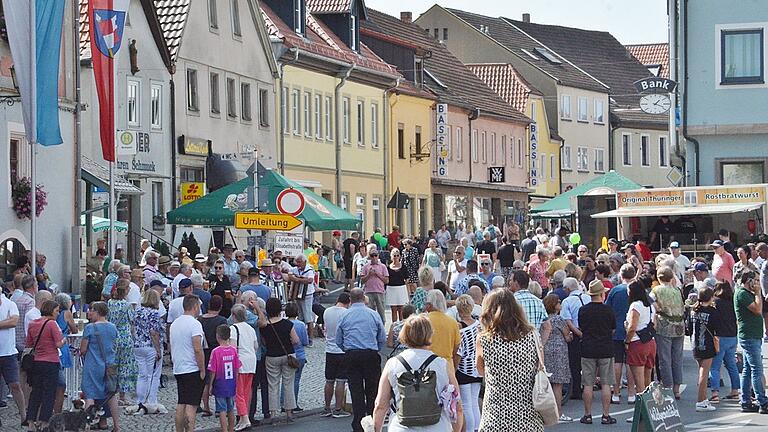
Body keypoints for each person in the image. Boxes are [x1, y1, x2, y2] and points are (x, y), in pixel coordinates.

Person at [372, 314, 463, 432]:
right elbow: (457, 405)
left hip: (401, 427)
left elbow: (380, 405)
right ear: (430, 334)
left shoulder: (393, 363)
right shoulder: (442, 364)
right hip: (437, 427)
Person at [476, 289, 542, 431]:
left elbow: (480, 370)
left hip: (495, 414)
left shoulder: (484, 339)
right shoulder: (532, 335)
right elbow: (540, 366)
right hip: (527, 413)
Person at [335, 288, 386, 432]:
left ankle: (358, 423)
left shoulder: (345, 316)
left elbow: (338, 339)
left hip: (352, 354)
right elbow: (381, 336)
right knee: (372, 389)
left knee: (356, 390)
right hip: (370, 354)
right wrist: (375, 348)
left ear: (350, 300)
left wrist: (347, 349)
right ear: (363, 298)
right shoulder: (373, 314)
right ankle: (372, 419)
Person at [578, 279, 617, 425]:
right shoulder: (608, 310)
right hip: (605, 348)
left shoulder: (584, 310)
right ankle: (606, 415)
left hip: (588, 348)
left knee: (588, 383)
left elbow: (582, 328)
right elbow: (613, 329)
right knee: (606, 383)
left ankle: (587, 415)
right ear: (602, 294)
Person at [23, 300, 64, 431]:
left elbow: (29, 343)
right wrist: (64, 340)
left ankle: (30, 421)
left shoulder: (33, 323)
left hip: (37, 362)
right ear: (51, 310)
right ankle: (44, 421)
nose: (58, 314)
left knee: (36, 392)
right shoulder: (52, 324)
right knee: (49, 393)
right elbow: (58, 344)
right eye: (57, 311)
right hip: (51, 362)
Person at [80, 302, 120, 431]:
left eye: (91, 310)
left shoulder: (90, 328)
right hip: (109, 365)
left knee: (90, 395)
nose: (89, 312)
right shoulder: (113, 327)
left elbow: (83, 349)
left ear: (97, 312)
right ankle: (116, 426)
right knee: (111, 394)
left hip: (93, 365)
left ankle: (87, 425)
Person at [170, 294, 206, 432]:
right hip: (192, 368)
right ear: (195, 306)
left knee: (181, 403)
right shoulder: (195, 324)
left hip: (179, 367)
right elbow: (197, 348)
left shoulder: (175, 323)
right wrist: (202, 369)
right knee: (191, 405)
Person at [260, 298, 299, 424]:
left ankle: (273, 413)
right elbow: (296, 340)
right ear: (280, 310)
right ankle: (289, 412)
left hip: (272, 356)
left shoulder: (265, 326)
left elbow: (263, 342)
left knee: (273, 385)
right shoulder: (288, 324)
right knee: (288, 384)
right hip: (288, 355)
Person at [734, 271, 768, 413]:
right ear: (748, 281)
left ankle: (746, 401)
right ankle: (762, 401)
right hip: (749, 336)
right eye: (754, 280)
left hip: (753, 335)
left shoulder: (746, 293)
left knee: (748, 370)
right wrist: (758, 293)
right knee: (757, 369)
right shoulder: (742, 293)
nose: (757, 282)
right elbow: (758, 309)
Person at [624, 281, 657, 422]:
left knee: (639, 383)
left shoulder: (635, 305)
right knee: (648, 378)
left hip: (637, 343)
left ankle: (640, 413)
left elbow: (632, 326)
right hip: (650, 342)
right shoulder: (649, 305)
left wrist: (626, 341)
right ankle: (650, 410)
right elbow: (654, 323)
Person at [605, 264, 637, 404]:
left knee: (617, 362)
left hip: (616, 329)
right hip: (633, 330)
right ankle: (631, 393)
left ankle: (616, 392)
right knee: (630, 363)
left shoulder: (615, 290)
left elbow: (607, 309)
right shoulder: (637, 290)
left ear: (621, 276)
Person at [653, 267, 685, 398]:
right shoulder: (677, 290)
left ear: (659, 278)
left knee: (665, 358)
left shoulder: (656, 291)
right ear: (672, 277)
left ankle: (667, 386)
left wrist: (659, 309)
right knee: (677, 358)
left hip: (664, 325)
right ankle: (677, 389)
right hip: (679, 325)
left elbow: (650, 303)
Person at [133, 289, 165, 413]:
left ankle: (140, 401)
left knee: (141, 375)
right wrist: (158, 350)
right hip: (151, 346)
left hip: (138, 345)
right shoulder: (155, 314)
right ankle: (151, 400)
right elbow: (154, 333)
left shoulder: (138, 312)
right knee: (153, 375)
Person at [540, 295, 572, 423]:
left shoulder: (544, 319)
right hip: (559, 352)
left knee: (547, 383)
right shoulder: (559, 319)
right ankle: (558, 413)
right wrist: (570, 336)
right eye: (558, 302)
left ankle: (547, 413)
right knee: (558, 384)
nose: (560, 303)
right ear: (554, 305)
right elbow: (567, 335)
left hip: (546, 350)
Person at [107, 279, 138, 405]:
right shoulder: (127, 305)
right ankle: (122, 396)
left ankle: (111, 393)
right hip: (125, 339)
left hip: (112, 338)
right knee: (125, 367)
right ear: (125, 290)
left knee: (112, 366)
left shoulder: (109, 303)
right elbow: (132, 321)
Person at [709, 281, 740, 403]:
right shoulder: (733, 302)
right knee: (731, 365)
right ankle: (735, 391)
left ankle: (715, 393)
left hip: (719, 337)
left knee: (715, 366)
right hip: (732, 336)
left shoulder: (715, 303)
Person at [322, 292, 352, 418]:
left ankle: (327, 407)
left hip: (329, 350)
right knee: (341, 381)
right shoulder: (346, 313)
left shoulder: (327, 311)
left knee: (329, 380)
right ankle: (338, 408)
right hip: (342, 350)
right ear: (348, 302)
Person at [229, 304, 259, 431]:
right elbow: (255, 346)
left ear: (234, 316)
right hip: (251, 361)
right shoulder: (250, 328)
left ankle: (245, 418)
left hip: (240, 362)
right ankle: (243, 418)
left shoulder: (233, 328)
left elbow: (233, 348)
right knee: (247, 391)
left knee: (238, 393)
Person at [455, 295, 482, 432]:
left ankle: (470, 430)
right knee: (474, 402)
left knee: (466, 404)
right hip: (477, 368)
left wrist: (454, 368)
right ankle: (477, 428)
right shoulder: (479, 325)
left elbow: (459, 352)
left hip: (464, 368)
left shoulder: (460, 328)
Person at [198, 295, 227, 416]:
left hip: (204, 350)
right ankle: (219, 408)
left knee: (205, 381)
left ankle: (206, 407)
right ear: (220, 306)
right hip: (217, 350)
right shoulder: (221, 320)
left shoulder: (200, 319)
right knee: (218, 379)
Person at [692, 286, 720, 412]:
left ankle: (703, 398)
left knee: (701, 373)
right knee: (704, 374)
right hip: (707, 345)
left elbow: (688, 328)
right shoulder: (712, 312)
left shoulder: (693, 311)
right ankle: (700, 401)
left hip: (695, 344)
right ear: (711, 297)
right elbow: (716, 329)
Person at [208, 324, 241, 432]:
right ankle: (231, 429)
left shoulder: (216, 352)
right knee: (231, 409)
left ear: (217, 336)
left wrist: (210, 385)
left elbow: (213, 370)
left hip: (220, 384)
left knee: (222, 410)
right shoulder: (233, 350)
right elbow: (237, 368)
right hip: (231, 383)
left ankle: (224, 430)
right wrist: (236, 381)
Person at [561, 276, 587, 399]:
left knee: (575, 364)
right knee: (588, 363)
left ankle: (576, 390)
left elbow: (567, 321)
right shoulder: (587, 297)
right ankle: (588, 387)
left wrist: (578, 333)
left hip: (577, 334)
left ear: (567, 288)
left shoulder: (567, 301)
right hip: (590, 333)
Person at [424, 290, 461, 370]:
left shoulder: (423, 320)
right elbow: (457, 347)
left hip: (427, 365)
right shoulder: (453, 322)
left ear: (429, 305)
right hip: (447, 365)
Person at [283, 302, 309, 413]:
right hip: (299, 355)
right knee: (296, 380)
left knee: (286, 380)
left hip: (287, 354)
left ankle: (283, 402)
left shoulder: (284, 323)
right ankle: (294, 403)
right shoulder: (301, 325)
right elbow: (305, 341)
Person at [287, 255, 317, 339]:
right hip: (298, 295)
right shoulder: (295, 269)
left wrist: (297, 279)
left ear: (304, 262)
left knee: (308, 317)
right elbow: (289, 273)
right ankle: (301, 336)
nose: (298, 264)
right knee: (300, 315)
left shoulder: (309, 269)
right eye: (297, 262)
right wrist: (293, 277)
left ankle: (310, 337)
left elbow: (310, 280)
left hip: (307, 295)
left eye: (299, 262)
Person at [360, 247, 389, 324]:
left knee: (381, 311)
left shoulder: (383, 266)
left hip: (379, 291)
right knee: (369, 312)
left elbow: (386, 280)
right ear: (369, 256)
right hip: (369, 292)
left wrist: (377, 274)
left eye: (375, 255)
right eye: (372, 255)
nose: (374, 257)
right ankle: (370, 326)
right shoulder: (366, 266)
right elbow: (362, 280)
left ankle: (382, 327)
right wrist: (369, 275)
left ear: (378, 256)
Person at [386, 248, 409, 323]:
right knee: (393, 309)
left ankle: (402, 324)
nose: (396, 257)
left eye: (397, 255)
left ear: (399, 256)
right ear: (391, 256)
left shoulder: (404, 267)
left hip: (401, 289)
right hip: (391, 289)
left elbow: (407, 279)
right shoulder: (388, 267)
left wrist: (406, 289)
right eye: (394, 255)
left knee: (401, 309)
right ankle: (394, 325)